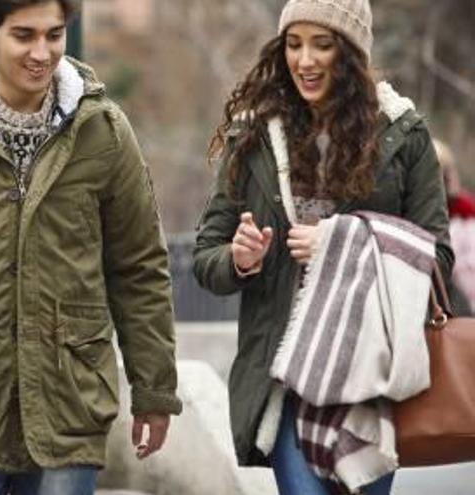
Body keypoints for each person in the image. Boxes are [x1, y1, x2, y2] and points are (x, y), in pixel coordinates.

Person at [0, 1, 183, 493]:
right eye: (24, 36)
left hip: (68, 397)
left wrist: (154, 390)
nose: (41, 53)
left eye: (54, 35)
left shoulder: (104, 129)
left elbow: (138, 268)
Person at [194, 0, 452, 494]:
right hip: (288, 378)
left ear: (351, 53)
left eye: (322, 44)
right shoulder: (255, 134)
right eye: (293, 44)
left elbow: (436, 259)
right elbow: (207, 256)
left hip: (370, 381)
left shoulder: (404, 133)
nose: (304, 60)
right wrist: (239, 258)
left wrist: (341, 245)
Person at [434, 138, 475, 315]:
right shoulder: (425, 218)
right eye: (441, 173)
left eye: (448, 171)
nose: (447, 178)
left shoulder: (466, 212)